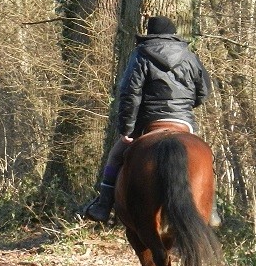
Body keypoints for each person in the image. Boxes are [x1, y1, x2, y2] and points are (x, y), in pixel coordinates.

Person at [83, 15, 212, 224]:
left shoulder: (141, 55)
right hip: (182, 120)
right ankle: (211, 207)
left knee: (115, 156)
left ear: (150, 34)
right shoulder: (190, 56)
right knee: (206, 158)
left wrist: (127, 129)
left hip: (148, 121)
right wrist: (185, 108)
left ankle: (103, 205)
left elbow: (129, 94)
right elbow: (203, 92)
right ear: (172, 34)